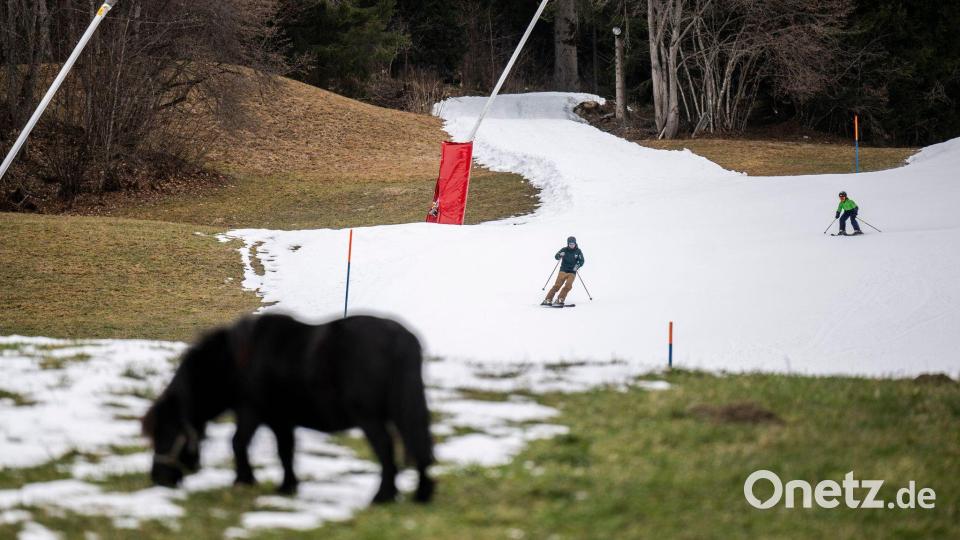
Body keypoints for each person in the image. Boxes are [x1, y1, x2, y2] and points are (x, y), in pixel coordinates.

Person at [542, 236, 585, 307]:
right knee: (557, 285)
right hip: (563, 270)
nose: (572, 245)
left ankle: (560, 299)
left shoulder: (578, 251)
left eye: (573, 244)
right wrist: (560, 255)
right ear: (568, 244)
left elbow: (582, 260)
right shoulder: (564, 250)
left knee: (568, 285)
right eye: (570, 244)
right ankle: (548, 299)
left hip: (572, 271)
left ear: (575, 243)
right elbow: (556, 257)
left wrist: (577, 266)